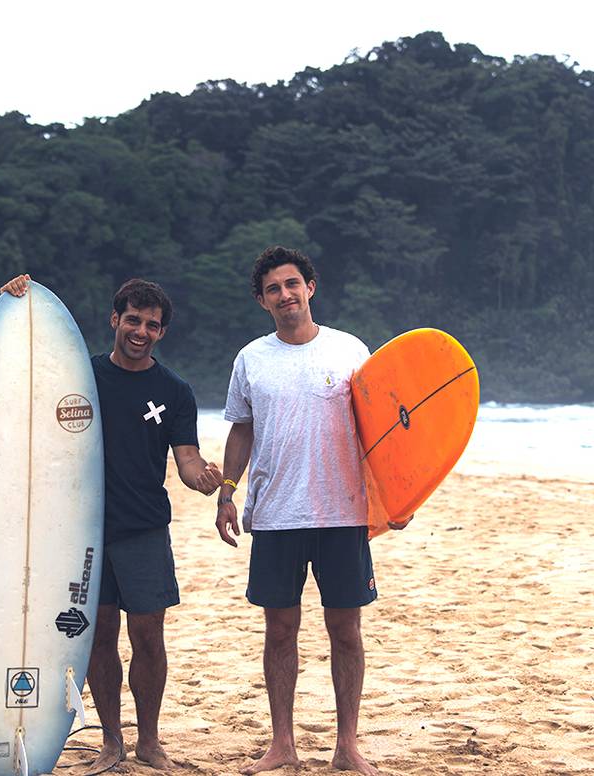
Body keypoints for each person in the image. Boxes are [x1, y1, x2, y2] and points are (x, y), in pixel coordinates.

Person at [0, 274, 223, 771]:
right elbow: (25, 369)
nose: (141, 331)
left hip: (143, 529)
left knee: (148, 637)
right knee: (98, 636)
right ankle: (110, 742)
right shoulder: (80, 376)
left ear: (162, 332)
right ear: (115, 319)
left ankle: (148, 741)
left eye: (153, 324)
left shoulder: (175, 391)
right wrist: (18, 304)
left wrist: (203, 479)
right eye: (133, 320)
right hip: (83, 532)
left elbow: (186, 459)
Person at [214, 246, 379, 776]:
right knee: (280, 629)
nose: (284, 295)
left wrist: (397, 497)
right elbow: (242, 429)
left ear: (311, 287)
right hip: (278, 515)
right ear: (261, 301)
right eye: (272, 289)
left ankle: (347, 745)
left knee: (345, 629)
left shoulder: (351, 350)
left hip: (343, 512)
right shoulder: (251, 360)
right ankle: (282, 743)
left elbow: (384, 430)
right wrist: (227, 491)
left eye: (292, 284)